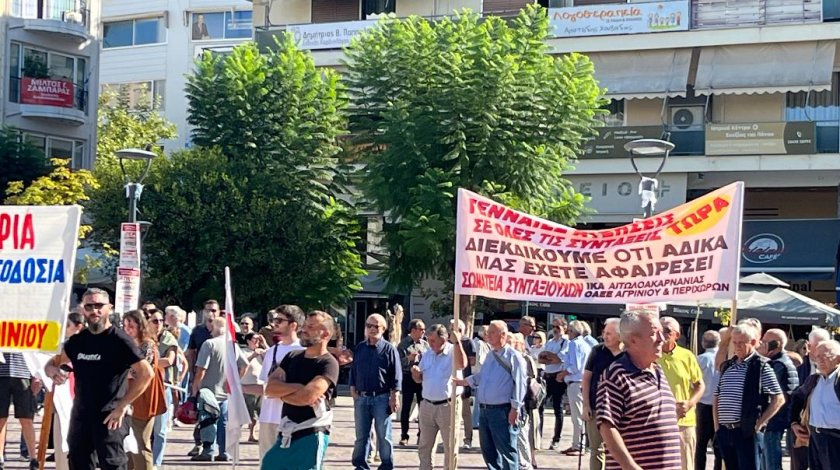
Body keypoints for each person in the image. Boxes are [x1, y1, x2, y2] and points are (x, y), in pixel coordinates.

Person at [44, 288, 153, 470]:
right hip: (81, 415)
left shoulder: (120, 340)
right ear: (83, 309)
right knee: (78, 463)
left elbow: (146, 373)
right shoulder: (78, 341)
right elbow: (53, 362)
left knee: (112, 464)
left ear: (109, 307)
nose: (94, 310)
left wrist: (122, 406)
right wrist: (51, 370)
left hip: (110, 415)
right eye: (89, 306)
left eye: (99, 306)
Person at [596, 310, 681, 470]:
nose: (662, 339)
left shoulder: (657, 370)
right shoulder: (616, 375)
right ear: (633, 340)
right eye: (654, 334)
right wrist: (631, 467)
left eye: (662, 333)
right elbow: (607, 426)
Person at [261, 310, 340, 470]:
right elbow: (270, 388)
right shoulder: (292, 356)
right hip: (286, 430)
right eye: (304, 326)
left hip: (311, 433)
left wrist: (283, 395)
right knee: (269, 464)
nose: (304, 330)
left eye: (311, 327)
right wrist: (297, 387)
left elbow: (307, 397)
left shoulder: (328, 363)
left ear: (325, 334)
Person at [456, 320, 526, 470]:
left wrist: (515, 408)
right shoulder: (490, 355)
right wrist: (464, 382)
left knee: (507, 450)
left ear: (503, 335)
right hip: (485, 410)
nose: (488, 335)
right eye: (488, 332)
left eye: (492, 332)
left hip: (502, 411)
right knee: (489, 451)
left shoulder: (513, 356)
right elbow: (482, 376)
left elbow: (520, 384)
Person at [714, 323, 785, 470]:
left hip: (746, 431)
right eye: (734, 343)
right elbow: (717, 396)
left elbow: (778, 398)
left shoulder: (761, 366)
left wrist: (759, 424)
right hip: (725, 431)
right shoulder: (728, 366)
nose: (737, 346)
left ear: (752, 342)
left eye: (741, 343)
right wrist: (717, 427)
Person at [410, 324, 466, 470]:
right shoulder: (427, 354)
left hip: (448, 405)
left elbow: (462, 364)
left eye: (433, 340)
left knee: (450, 446)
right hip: (427, 405)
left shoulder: (453, 351)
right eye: (428, 340)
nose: (430, 343)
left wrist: (457, 343)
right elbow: (419, 379)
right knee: (425, 446)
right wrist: (416, 374)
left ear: (444, 339)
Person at [350, 313, 402, 470]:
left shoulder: (389, 349)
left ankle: (386, 465)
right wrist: (352, 387)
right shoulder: (360, 347)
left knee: (384, 435)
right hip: (362, 398)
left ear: (383, 329)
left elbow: (396, 374)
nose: (372, 329)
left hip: (381, 398)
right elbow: (354, 369)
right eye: (369, 326)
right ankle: (360, 465)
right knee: (361, 436)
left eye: (376, 326)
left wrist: (395, 396)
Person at [256, 305, 305, 459]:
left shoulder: (303, 351)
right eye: (274, 320)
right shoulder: (272, 351)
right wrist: (238, 387)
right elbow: (264, 386)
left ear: (293, 325)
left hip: (292, 419)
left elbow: (302, 388)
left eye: (279, 320)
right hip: (268, 417)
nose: (274, 324)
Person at [657, 317, 704, 470]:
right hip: (656, 421)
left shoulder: (687, 356)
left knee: (685, 465)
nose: (661, 334)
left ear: (676, 335)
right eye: (658, 329)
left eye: (666, 331)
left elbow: (700, 385)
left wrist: (690, 404)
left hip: (683, 422)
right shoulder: (650, 355)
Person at [191, 317, 240, 462]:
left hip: (208, 390)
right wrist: (233, 382)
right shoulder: (232, 346)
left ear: (215, 327)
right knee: (223, 422)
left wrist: (195, 388)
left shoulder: (209, 344)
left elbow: (201, 369)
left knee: (207, 420)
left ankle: (208, 451)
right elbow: (244, 365)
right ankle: (224, 451)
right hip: (225, 390)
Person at [790, 340, 840, 470]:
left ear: (838, 359)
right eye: (818, 356)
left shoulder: (838, 380)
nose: (820, 360)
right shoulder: (814, 380)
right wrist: (794, 422)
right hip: (815, 438)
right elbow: (797, 398)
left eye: (826, 356)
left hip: (835, 439)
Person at [582, 317, 622, 470]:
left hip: (619, 409)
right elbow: (586, 379)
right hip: (596, 406)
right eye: (604, 333)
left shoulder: (628, 354)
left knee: (617, 449)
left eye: (609, 334)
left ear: (620, 335)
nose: (605, 336)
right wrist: (586, 405)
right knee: (596, 449)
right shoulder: (597, 351)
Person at [122, 310, 159, 470]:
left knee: (140, 444)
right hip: (127, 398)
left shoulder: (147, 345)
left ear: (140, 326)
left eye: (131, 326)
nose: (127, 329)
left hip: (143, 398)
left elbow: (142, 372)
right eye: (125, 326)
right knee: (128, 445)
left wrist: (121, 371)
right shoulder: (128, 344)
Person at [759, 328, 799, 470]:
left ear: (775, 345)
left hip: (773, 419)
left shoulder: (777, 365)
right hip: (778, 418)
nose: (760, 344)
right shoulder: (782, 361)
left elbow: (763, 388)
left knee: (770, 462)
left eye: (764, 341)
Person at [186, 299, 219, 456]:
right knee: (200, 410)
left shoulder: (225, 329)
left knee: (217, 412)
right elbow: (191, 352)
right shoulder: (198, 331)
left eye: (214, 310)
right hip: (201, 375)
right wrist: (191, 373)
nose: (211, 313)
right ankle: (200, 444)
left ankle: (218, 447)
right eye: (208, 310)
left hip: (219, 377)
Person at [148, 309, 178, 468]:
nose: (159, 324)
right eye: (155, 321)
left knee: (160, 428)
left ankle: (156, 463)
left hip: (162, 386)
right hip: (144, 386)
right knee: (142, 427)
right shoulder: (142, 338)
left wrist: (145, 364)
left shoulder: (168, 338)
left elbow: (169, 360)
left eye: (161, 321)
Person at [0, 351, 40, 470]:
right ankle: (0, 458)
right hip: (1, 373)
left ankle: (33, 459)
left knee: (26, 418)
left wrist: (37, 375)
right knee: (1, 419)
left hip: (23, 372)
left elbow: (35, 349)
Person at [558, 320, 592, 456]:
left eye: (569, 331)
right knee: (578, 415)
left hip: (575, 382)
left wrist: (562, 374)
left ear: (572, 332)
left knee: (577, 416)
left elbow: (575, 366)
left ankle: (579, 446)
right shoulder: (585, 344)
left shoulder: (574, 344)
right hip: (582, 383)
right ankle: (577, 443)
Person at [537, 317, 568, 450]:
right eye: (553, 326)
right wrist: (550, 357)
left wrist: (550, 357)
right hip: (547, 376)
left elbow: (558, 359)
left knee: (557, 408)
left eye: (557, 327)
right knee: (540, 405)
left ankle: (556, 439)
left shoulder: (565, 342)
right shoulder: (550, 342)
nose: (555, 329)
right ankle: (538, 436)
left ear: (564, 328)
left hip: (558, 377)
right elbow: (541, 358)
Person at [397, 318, 428, 446]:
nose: (424, 332)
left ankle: (422, 434)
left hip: (422, 378)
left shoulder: (425, 344)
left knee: (423, 407)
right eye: (421, 329)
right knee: (406, 407)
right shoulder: (403, 344)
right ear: (414, 330)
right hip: (408, 377)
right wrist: (408, 359)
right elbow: (397, 363)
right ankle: (404, 435)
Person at [511, 332, 538, 470]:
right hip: (512, 402)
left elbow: (530, 380)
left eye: (512, 342)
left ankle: (526, 463)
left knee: (523, 434)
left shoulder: (525, 359)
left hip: (524, 403)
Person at [695, 330, 722, 470]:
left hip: (703, 405)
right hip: (721, 406)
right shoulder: (724, 359)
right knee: (718, 445)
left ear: (703, 343)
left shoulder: (699, 359)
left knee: (701, 444)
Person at [450, 318, 477, 449]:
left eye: (452, 329)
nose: (450, 331)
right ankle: (450, 438)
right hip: (450, 381)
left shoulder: (468, 342)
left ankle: (468, 438)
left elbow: (472, 361)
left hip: (464, 380)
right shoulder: (447, 342)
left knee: (465, 412)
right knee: (450, 413)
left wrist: (461, 356)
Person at [242, 332, 266, 442]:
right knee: (251, 412)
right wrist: (253, 356)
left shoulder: (261, 352)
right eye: (254, 340)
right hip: (248, 385)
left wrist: (264, 344)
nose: (257, 342)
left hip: (260, 386)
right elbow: (242, 364)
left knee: (261, 411)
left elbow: (273, 356)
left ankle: (255, 433)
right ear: (248, 341)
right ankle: (250, 434)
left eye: (258, 340)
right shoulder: (243, 352)